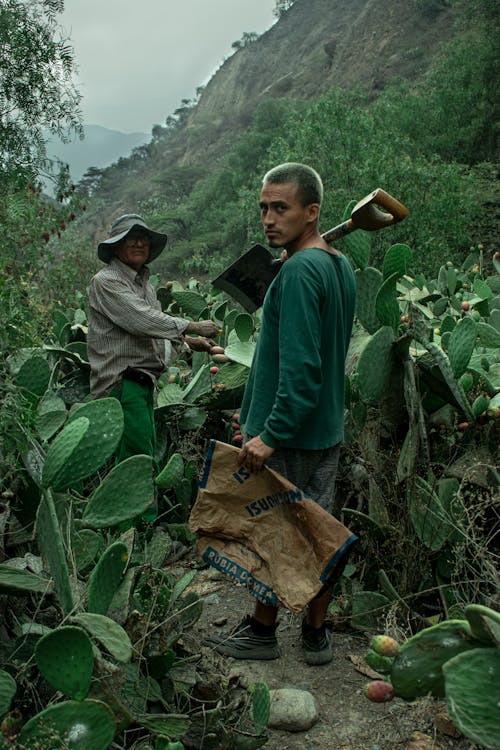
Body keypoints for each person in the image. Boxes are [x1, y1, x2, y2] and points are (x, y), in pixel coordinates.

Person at [206, 163, 356, 665]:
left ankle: (262, 632)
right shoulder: (339, 265)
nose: (268, 219)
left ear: (311, 212)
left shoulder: (295, 272)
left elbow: (301, 368)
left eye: (281, 208)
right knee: (318, 532)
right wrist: (255, 413)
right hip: (325, 430)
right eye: (264, 209)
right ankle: (316, 632)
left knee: (276, 531)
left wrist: (270, 432)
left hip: (290, 435)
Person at [87, 214, 218, 517]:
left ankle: (139, 533)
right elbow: (141, 320)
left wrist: (188, 344)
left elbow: (151, 336)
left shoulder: (145, 285)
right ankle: (136, 537)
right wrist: (194, 325)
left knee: (142, 456)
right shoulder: (106, 282)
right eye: (130, 238)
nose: (138, 243)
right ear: (115, 246)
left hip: (144, 382)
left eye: (143, 238)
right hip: (122, 382)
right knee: (136, 461)